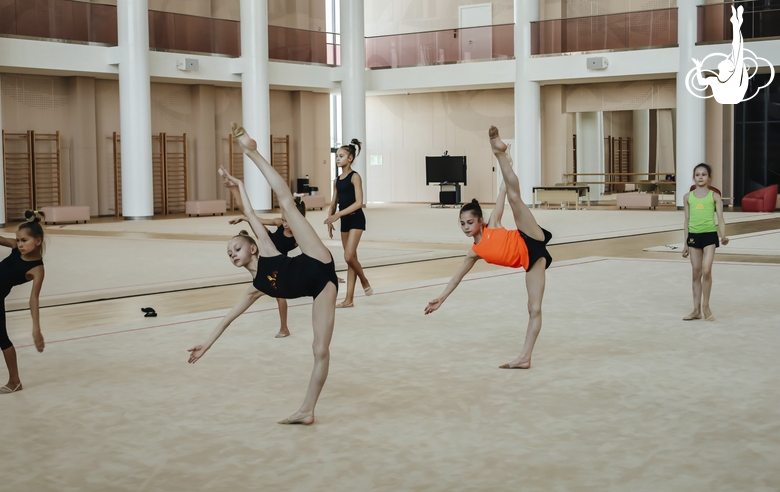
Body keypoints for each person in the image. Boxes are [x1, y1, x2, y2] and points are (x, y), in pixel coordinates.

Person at [188, 123, 339, 426]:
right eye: (229, 253)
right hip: (323, 288)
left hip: (315, 260)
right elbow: (228, 318)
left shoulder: (268, 249)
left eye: (236, 248)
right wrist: (207, 343)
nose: (232, 253)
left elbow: (252, 216)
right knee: (319, 349)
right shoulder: (255, 286)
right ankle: (307, 410)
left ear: (253, 249)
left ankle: (252, 150)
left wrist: (239, 185)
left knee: (287, 204)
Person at [425, 127, 552, 369]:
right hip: (533, 261)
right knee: (533, 308)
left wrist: (507, 163)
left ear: (480, 221)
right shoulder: (474, 252)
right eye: (461, 223)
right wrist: (441, 298)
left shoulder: (492, 223)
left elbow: (505, 190)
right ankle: (525, 358)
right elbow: (456, 278)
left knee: (515, 197)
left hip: (529, 236)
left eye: (469, 222)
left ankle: (498, 152)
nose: (465, 227)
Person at [228, 190, 307, 339]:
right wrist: (245, 218)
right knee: (247, 213)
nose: (284, 223)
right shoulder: (279, 223)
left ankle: (284, 328)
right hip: (266, 240)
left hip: (277, 261)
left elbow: (310, 254)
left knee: (280, 296)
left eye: (287, 221)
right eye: (283, 220)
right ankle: (233, 188)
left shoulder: (298, 236)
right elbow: (258, 220)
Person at [1, 210, 46, 393]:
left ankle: (15, 381)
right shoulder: (14, 248)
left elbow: (33, 299)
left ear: (38, 241)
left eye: (24, 241)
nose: (19, 244)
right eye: (18, 240)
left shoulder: (37, 269)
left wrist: (36, 328)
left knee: (2, 339)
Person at [325, 139, 373, 308]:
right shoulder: (337, 180)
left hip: (356, 218)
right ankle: (349, 299)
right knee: (351, 259)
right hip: (344, 220)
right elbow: (333, 202)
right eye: (337, 156)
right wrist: (330, 218)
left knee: (348, 256)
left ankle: (364, 280)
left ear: (350, 158)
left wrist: (337, 214)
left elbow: (359, 202)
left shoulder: (355, 177)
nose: (337, 159)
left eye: (341, 156)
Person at [682, 163, 729, 321]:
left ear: (709, 177)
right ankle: (696, 310)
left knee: (707, 270)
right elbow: (686, 221)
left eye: (703, 174)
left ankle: (706, 305)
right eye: (697, 174)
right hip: (694, 236)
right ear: (694, 177)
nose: (700, 177)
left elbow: (721, 218)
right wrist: (685, 243)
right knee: (696, 272)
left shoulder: (714, 196)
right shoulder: (688, 197)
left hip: (709, 235)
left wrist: (723, 235)